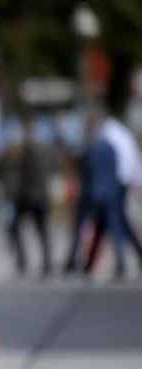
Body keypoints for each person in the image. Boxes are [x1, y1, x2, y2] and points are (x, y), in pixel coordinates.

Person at [64, 110, 127, 279]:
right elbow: (116, 171)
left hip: (92, 193)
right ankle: (121, 262)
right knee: (114, 229)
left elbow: (86, 172)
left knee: (80, 227)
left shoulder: (91, 147)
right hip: (111, 193)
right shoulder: (111, 147)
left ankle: (71, 260)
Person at [83, 115, 142, 273]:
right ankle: (89, 263)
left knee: (116, 222)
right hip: (119, 183)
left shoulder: (107, 137)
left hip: (116, 184)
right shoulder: (118, 133)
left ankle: (121, 261)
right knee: (106, 224)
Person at [5, 117, 54, 277]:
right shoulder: (45, 148)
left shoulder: (24, 149)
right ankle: (47, 263)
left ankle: (22, 261)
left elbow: (18, 173)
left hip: (27, 196)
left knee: (15, 228)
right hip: (42, 195)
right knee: (42, 231)